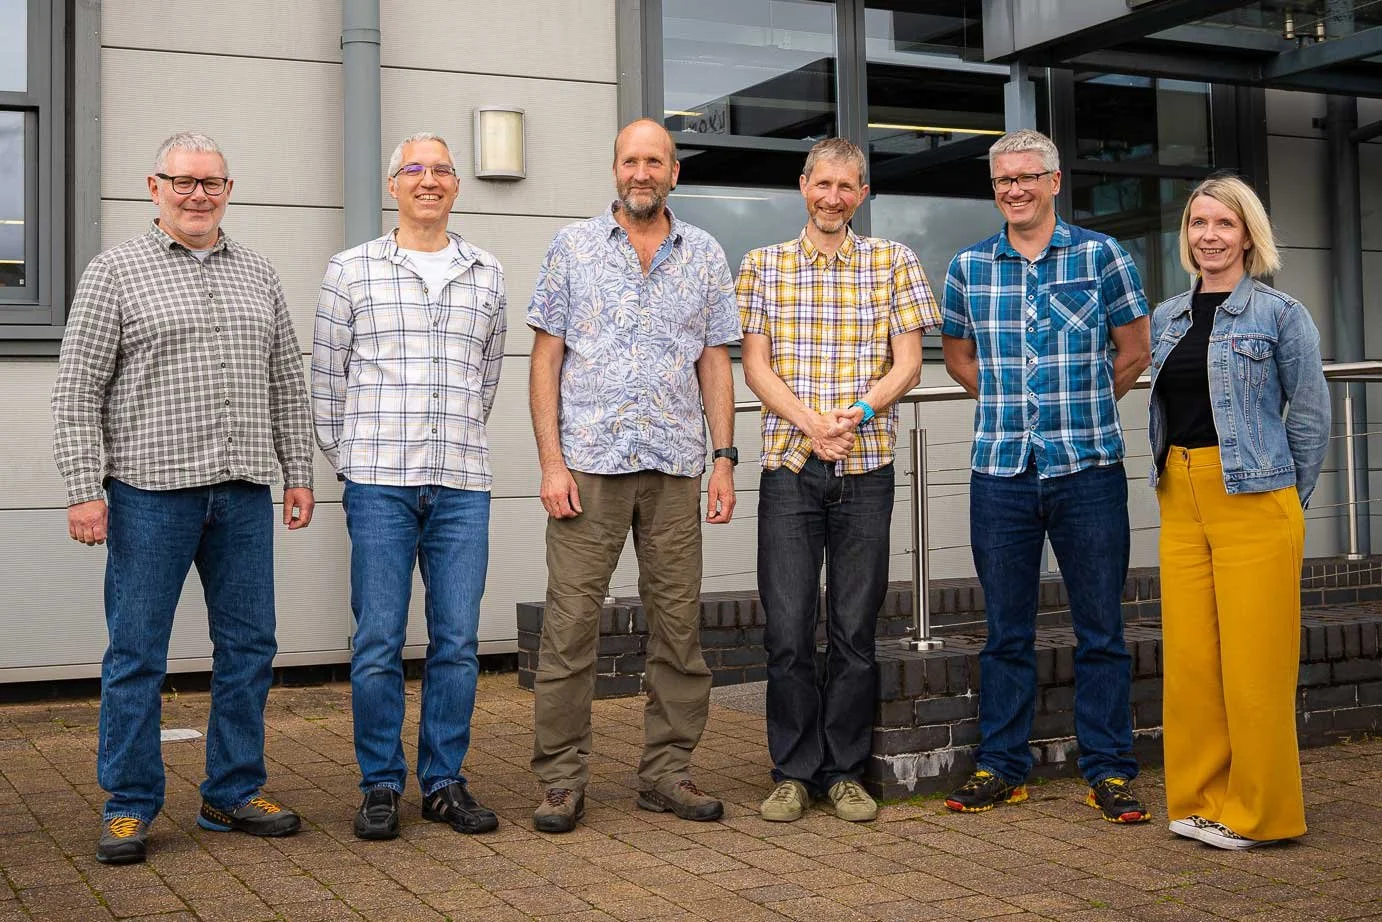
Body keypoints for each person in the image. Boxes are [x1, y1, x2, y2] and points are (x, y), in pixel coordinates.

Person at [51, 131, 314, 865]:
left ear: (229, 190)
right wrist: (84, 489)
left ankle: (232, 791)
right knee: (136, 653)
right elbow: (77, 391)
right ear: (154, 186)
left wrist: (298, 472)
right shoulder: (115, 273)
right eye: (183, 181)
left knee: (250, 647)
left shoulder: (258, 274)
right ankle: (130, 801)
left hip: (240, 492)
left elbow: (287, 383)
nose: (198, 195)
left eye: (213, 183)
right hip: (148, 494)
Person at [526, 118, 740, 834]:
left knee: (679, 630)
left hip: (677, 467)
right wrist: (551, 462)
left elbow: (715, 360)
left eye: (654, 161)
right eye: (629, 160)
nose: (641, 172)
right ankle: (561, 781)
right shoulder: (573, 247)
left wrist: (724, 459)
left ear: (674, 172)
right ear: (615, 169)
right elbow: (546, 359)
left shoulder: (704, 253)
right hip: (588, 468)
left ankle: (666, 773)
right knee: (570, 629)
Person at [940, 128, 1153, 823]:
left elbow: (1134, 351)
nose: (1016, 190)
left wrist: (1082, 408)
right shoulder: (969, 266)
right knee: (1005, 632)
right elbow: (959, 359)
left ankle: (1110, 770)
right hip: (1000, 473)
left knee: (1101, 629)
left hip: (1087, 469)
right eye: (1004, 180)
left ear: (1055, 181)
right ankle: (1001, 765)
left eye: (1029, 177)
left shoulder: (1103, 257)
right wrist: (1013, 407)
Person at [312, 132, 506, 840]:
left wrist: (452, 438)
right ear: (393, 184)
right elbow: (326, 380)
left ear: (456, 186)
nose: (429, 180)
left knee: (456, 642)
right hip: (379, 485)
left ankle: (444, 782)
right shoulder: (351, 270)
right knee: (378, 641)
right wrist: (352, 460)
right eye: (415, 169)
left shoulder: (485, 271)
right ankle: (380, 784)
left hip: (461, 483)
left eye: (442, 170)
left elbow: (485, 379)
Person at [737, 138, 937, 823]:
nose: (833, 196)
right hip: (789, 472)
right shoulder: (762, 266)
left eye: (846, 186)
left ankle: (844, 770)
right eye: (822, 184)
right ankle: (793, 772)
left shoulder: (894, 262)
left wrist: (849, 415)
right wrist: (809, 423)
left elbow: (908, 363)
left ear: (862, 193)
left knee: (854, 629)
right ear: (803, 186)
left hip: (866, 466)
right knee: (788, 630)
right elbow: (755, 367)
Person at [1150, 175, 1329, 850]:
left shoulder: (1280, 315)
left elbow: (1309, 418)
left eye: (1223, 224)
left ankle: (1263, 813)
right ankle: (1201, 800)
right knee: (1193, 663)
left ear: (1249, 235)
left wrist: (1287, 502)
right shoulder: (1168, 314)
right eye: (1198, 224)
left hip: (1255, 496)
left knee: (1256, 667)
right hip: (1180, 494)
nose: (1209, 236)